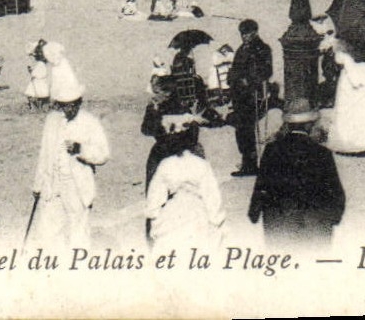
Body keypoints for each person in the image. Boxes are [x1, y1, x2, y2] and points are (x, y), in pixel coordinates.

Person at [29, 65, 110, 249]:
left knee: (78, 233)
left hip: (77, 185)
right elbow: (45, 153)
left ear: (80, 102)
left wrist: (81, 149)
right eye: (64, 105)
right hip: (53, 183)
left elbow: (103, 154)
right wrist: (38, 183)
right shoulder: (52, 120)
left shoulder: (90, 122)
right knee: (47, 231)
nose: (68, 109)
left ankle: (78, 269)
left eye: (72, 105)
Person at [246, 99, 344, 249]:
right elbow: (335, 191)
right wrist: (333, 216)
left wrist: (254, 211)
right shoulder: (322, 153)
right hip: (314, 226)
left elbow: (262, 185)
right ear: (309, 124)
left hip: (279, 225)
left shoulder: (272, 150)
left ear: (287, 124)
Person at [145, 138, 225, 252]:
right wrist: (216, 219)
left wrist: (154, 215)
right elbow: (212, 195)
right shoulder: (201, 164)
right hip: (198, 212)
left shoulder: (166, 164)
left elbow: (155, 195)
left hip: (172, 213)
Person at [321, 33, 365, 154]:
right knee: (363, 109)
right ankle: (363, 142)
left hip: (350, 77)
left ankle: (352, 142)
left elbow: (339, 58)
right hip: (363, 75)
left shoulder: (342, 37)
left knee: (351, 110)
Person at [228, 19, 272, 177]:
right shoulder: (242, 49)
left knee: (246, 128)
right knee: (241, 129)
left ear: (255, 32)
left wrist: (251, 80)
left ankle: (251, 164)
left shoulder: (262, 49)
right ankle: (247, 162)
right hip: (239, 94)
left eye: (248, 33)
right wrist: (232, 78)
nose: (245, 37)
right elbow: (235, 68)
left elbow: (267, 71)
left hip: (251, 94)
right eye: (243, 34)